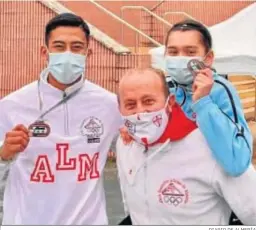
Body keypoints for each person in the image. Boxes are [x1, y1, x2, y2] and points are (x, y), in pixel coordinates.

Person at [0, 13, 122, 225]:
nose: (67, 54)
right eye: (59, 46)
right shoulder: (11, 105)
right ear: (44, 52)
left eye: (76, 47)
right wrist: (3, 155)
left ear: (88, 53)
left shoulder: (110, 105)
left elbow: (135, 160)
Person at [116, 67, 256, 225]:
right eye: (130, 105)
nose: (140, 112)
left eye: (149, 101)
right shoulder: (124, 144)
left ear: (170, 103)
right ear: (119, 109)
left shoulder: (212, 146)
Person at [164, 19, 252, 178]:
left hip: (210, 190)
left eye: (190, 52)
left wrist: (204, 103)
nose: (179, 58)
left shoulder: (221, 90)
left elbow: (237, 161)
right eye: (173, 52)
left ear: (208, 58)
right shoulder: (162, 89)